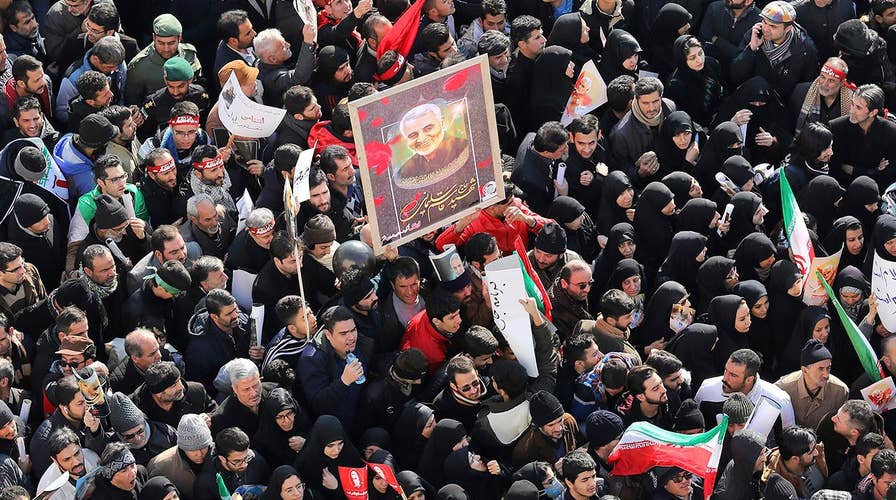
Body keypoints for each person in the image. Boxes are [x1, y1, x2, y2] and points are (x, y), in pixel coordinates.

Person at [298, 305, 373, 432]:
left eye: (353, 330)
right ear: (328, 334)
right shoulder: (311, 359)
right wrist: (344, 382)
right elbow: (319, 405)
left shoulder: (357, 343)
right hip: (336, 429)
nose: (351, 337)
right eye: (343, 333)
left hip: (360, 417)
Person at [730, 1, 819, 101]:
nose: (766, 29)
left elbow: (807, 88)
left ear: (788, 28)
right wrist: (751, 49)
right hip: (754, 99)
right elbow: (736, 76)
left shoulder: (805, 49)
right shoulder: (754, 34)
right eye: (764, 22)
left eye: (773, 26)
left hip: (784, 104)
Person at [694, 348, 796, 430]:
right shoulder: (707, 389)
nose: (725, 378)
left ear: (749, 379)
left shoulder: (779, 401)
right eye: (726, 370)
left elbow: (787, 441)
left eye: (733, 375)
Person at [184, 289, 260, 393]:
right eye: (229, 314)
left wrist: (261, 351)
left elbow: (262, 340)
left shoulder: (243, 320)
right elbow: (200, 385)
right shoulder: (199, 348)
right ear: (214, 317)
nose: (235, 315)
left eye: (235, 309)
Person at [125, 14, 203, 107]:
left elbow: (199, 85)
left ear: (179, 38)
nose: (166, 49)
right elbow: (132, 102)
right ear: (154, 38)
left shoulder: (189, 55)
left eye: (171, 43)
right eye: (161, 43)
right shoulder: (139, 66)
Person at [774, 339, 849, 430]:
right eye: (820, 369)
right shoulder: (782, 388)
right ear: (805, 370)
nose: (826, 375)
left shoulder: (840, 391)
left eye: (828, 368)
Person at [129, 361, 217, 429]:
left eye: (179, 380)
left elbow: (215, 410)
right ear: (158, 394)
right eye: (173, 385)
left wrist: (209, 417)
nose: (181, 387)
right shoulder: (135, 409)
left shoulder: (196, 391)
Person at [146, 413, 212, 500]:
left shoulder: (219, 455)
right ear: (182, 447)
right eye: (192, 450)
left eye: (203, 447)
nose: (199, 454)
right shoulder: (159, 467)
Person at [194, 427, 271, 499]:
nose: (245, 464)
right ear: (222, 459)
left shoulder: (257, 461)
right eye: (237, 461)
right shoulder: (205, 483)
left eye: (246, 458)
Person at [401, 290, 463, 374]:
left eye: (458, 313)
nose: (459, 320)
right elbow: (435, 375)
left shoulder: (431, 312)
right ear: (436, 321)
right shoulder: (434, 355)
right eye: (452, 317)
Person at [255, 26, 316, 108]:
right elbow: (299, 77)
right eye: (283, 46)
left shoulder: (262, 61)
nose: (288, 45)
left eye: (285, 42)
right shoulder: (273, 80)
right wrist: (308, 43)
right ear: (272, 59)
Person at [36, 427, 99, 500]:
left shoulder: (92, 457)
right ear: (55, 461)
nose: (76, 462)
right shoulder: (49, 491)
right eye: (67, 459)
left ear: (80, 446)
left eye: (77, 453)